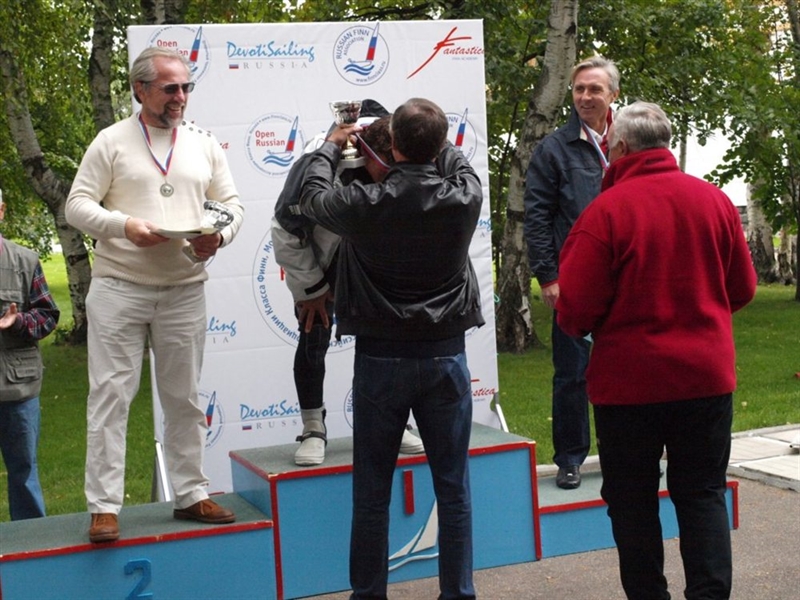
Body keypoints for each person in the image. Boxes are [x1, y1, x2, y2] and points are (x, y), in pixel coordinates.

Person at [556, 101, 757, 599]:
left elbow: (576, 309)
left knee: (632, 502)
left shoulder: (604, 213)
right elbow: (743, 288)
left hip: (630, 386)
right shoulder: (714, 201)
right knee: (703, 493)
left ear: (621, 147)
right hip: (704, 377)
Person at [299, 97, 484, 600]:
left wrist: (331, 146)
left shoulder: (363, 203)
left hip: (381, 359)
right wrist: (433, 141)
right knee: (453, 489)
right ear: (441, 145)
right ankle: (458, 593)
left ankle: (369, 595)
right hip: (445, 356)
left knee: (372, 493)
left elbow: (310, 196)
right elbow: (453, 158)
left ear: (393, 143)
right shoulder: (465, 195)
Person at [66, 47, 244, 543]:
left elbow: (232, 205)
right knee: (110, 397)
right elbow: (77, 205)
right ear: (140, 89)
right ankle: (104, 507)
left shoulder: (203, 143)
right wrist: (123, 226)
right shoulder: (111, 141)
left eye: (186, 87)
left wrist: (219, 237)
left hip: (184, 290)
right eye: (170, 88)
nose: (180, 97)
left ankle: (191, 494)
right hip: (119, 287)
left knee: (184, 398)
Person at [272, 109, 424, 466]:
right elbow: (285, 228)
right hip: (320, 264)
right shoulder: (316, 161)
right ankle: (313, 428)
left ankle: (393, 422)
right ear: (366, 152)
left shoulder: (403, 155)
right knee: (314, 336)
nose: (392, 173)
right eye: (386, 166)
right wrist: (311, 288)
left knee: (386, 345)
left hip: (373, 265)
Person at [523, 56, 620, 489]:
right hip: (575, 281)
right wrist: (548, 277)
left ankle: (625, 453)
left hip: (626, 279)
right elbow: (537, 217)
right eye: (579, 89)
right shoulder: (554, 149)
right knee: (572, 374)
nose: (585, 97)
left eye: (594, 89)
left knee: (626, 369)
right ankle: (570, 458)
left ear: (612, 94)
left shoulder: (628, 140)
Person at [0, 190, 60, 521]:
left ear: (1, 212)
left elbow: (48, 316)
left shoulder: (25, 261)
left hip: (17, 390)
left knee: (24, 472)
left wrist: (19, 321)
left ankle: (31, 544)